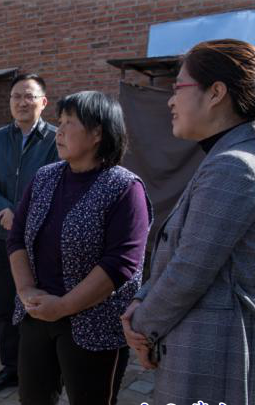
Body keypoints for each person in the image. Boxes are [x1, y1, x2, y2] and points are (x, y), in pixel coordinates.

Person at [122, 39, 255, 405]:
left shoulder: (233, 166)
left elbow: (189, 270)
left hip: (212, 355)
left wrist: (141, 326)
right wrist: (141, 298)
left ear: (216, 93)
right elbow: (182, 252)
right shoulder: (224, 156)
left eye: (177, 87)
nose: (170, 101)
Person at [7, 91, 152, 405]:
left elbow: (120, 264)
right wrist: (26, 290)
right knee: (33, 398)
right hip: (37, 313)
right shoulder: (44, 178)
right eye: (59, 122)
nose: (58, 131)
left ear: (97, 133)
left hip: (94, 323)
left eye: (68, 123)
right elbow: (16, 237)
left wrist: (63, 306)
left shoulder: (124, 188)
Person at [0, 72, 58, 392]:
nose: (23, 102)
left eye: (30, 96)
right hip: (2, 233)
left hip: (40, 237)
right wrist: (5, 211)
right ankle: (11, 368)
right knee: (6, 306)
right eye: (17, 96)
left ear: (43, 102)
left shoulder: (55, 139)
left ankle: (39, 369)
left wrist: (20, 216)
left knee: (38, 303)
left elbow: (56, 185)